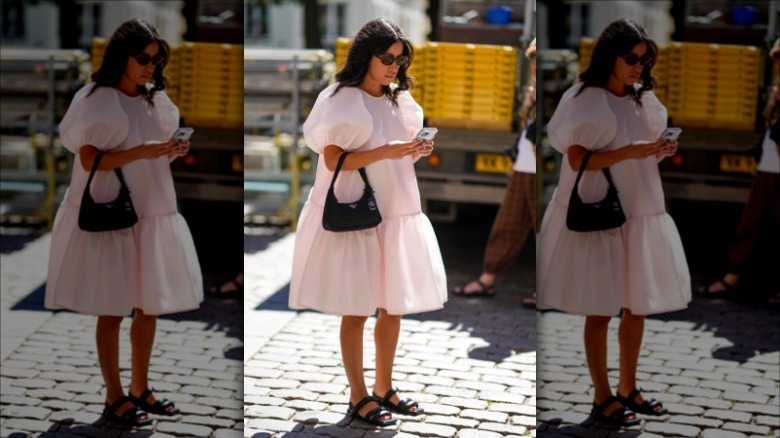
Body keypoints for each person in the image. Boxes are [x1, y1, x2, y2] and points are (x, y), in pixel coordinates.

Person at [288, 18, 447, 427]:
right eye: (386, 58)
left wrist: (416, 149)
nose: (394, 66)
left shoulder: (401, 101)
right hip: (358, 213)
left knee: (392, 305)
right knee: (356, 309)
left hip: (398, 210)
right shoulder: (343, 100)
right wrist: (387, 151)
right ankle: (357, 396)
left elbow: (400, 155)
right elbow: (333, 158)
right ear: (366, 56)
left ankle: (384, 387)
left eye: (400, 59)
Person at [45, 18, 203, 427]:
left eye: (156, 59)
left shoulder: (155, 101)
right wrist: (144, 150)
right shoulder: (98, 100)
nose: (151, 66)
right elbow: (90, 158)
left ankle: (140, 387)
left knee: (147, 306)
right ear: (122, 56)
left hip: (153, 209)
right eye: (143, 58)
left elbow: (154, 154)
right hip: (112, 211)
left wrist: (171, 148)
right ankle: (114, 396)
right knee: (112, 309)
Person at [537, 18, 691, 427]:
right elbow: (577, 159)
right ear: (610, 56)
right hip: (601, 212)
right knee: (600, 310)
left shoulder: (644, 101)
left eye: (643, 59)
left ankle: (628, 387)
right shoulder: (586, 100)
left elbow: (643, 155)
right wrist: (633, 150)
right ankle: (602, 396)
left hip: (642, 209)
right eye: (631, 58)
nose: (638, 66)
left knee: (635, 305)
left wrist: (658, 148)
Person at [453, 38, 537, 306]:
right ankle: (487, 279)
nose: (535, 65)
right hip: (523, 168)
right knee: (507, 224)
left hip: (540, 172)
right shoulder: (535, 92)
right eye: (533, 60)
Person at [695, 39, 780, 304]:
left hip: (776, 170)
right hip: (769, 168)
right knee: (753, 225)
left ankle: (734, 279)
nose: (778, 66)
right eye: (777, 61)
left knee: (759, 226)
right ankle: (733, 278)